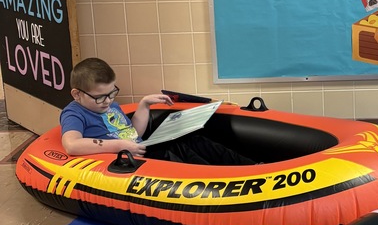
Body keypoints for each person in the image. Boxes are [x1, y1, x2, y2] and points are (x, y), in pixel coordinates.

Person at [60, 57, 252, 165]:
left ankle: (249, 166)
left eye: (112, 93)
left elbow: (133, 133)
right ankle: (219, 179)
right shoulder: (75, 113)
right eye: (100, 97)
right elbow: (72, 145)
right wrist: (119, 146)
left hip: (139, 149)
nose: (108, 100)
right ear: (77, 94)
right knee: (172, 154)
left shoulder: (111, 106)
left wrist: (144, 105)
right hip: (128, 161)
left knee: (194, 141)